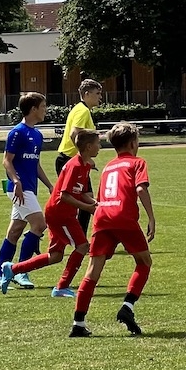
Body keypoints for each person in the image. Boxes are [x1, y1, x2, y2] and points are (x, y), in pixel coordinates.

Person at [71, 122, 157, 337]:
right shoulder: (137, 162)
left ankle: (78, 323)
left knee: (93, 271)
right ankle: (127, 306)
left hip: (102, 216)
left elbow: (100, 198)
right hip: (123, 217)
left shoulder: (108, 166)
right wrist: (151, 217)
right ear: (133, 143)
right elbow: (140, 189)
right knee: (144, 262)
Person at [0, 130, 99, 297]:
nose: (99, 147)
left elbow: (79, 192)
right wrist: (87, 208)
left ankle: (13, 269)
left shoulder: (85, 165)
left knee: (55, 256)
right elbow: (64, 195)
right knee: (82, 246)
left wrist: (95, 203)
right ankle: (61, 287)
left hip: (61, 212)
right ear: (89, 147)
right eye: (97, 143)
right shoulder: (75, 166)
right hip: (61, 214)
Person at [0, 92, 55, 290]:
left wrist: (50, 185)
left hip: (29, 189)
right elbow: (6, 161)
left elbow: (36, 165)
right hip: (19, 189)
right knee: (39, 224)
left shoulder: (37, 135)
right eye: (43, 106)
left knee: (15, 232)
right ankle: (20, 271)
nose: (45, 110)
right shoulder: (17, 132)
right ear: (33, 109)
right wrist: (16, 180)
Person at [55, 79, 102, 233]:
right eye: (97, 93)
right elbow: (74, 134)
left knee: (85, 198)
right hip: (70, 161)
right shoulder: (83, 111)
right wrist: (85, 158)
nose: (100, 97)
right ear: (86, 94)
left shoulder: (80, 109)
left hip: (68, 159)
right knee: (77, 200)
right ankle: (76, 236)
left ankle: (78, 236)